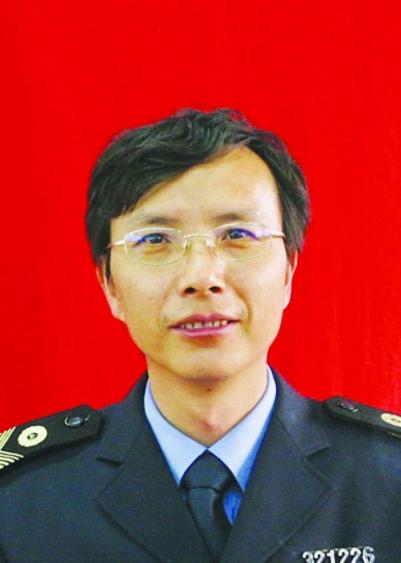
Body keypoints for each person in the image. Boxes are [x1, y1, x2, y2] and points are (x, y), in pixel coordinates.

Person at [0, 109, 400, 563]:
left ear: (289, 271)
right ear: (109, 285)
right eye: (155, 240)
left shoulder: (388, 481)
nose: (201, 277)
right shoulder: (21, 500)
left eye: (238, 234)